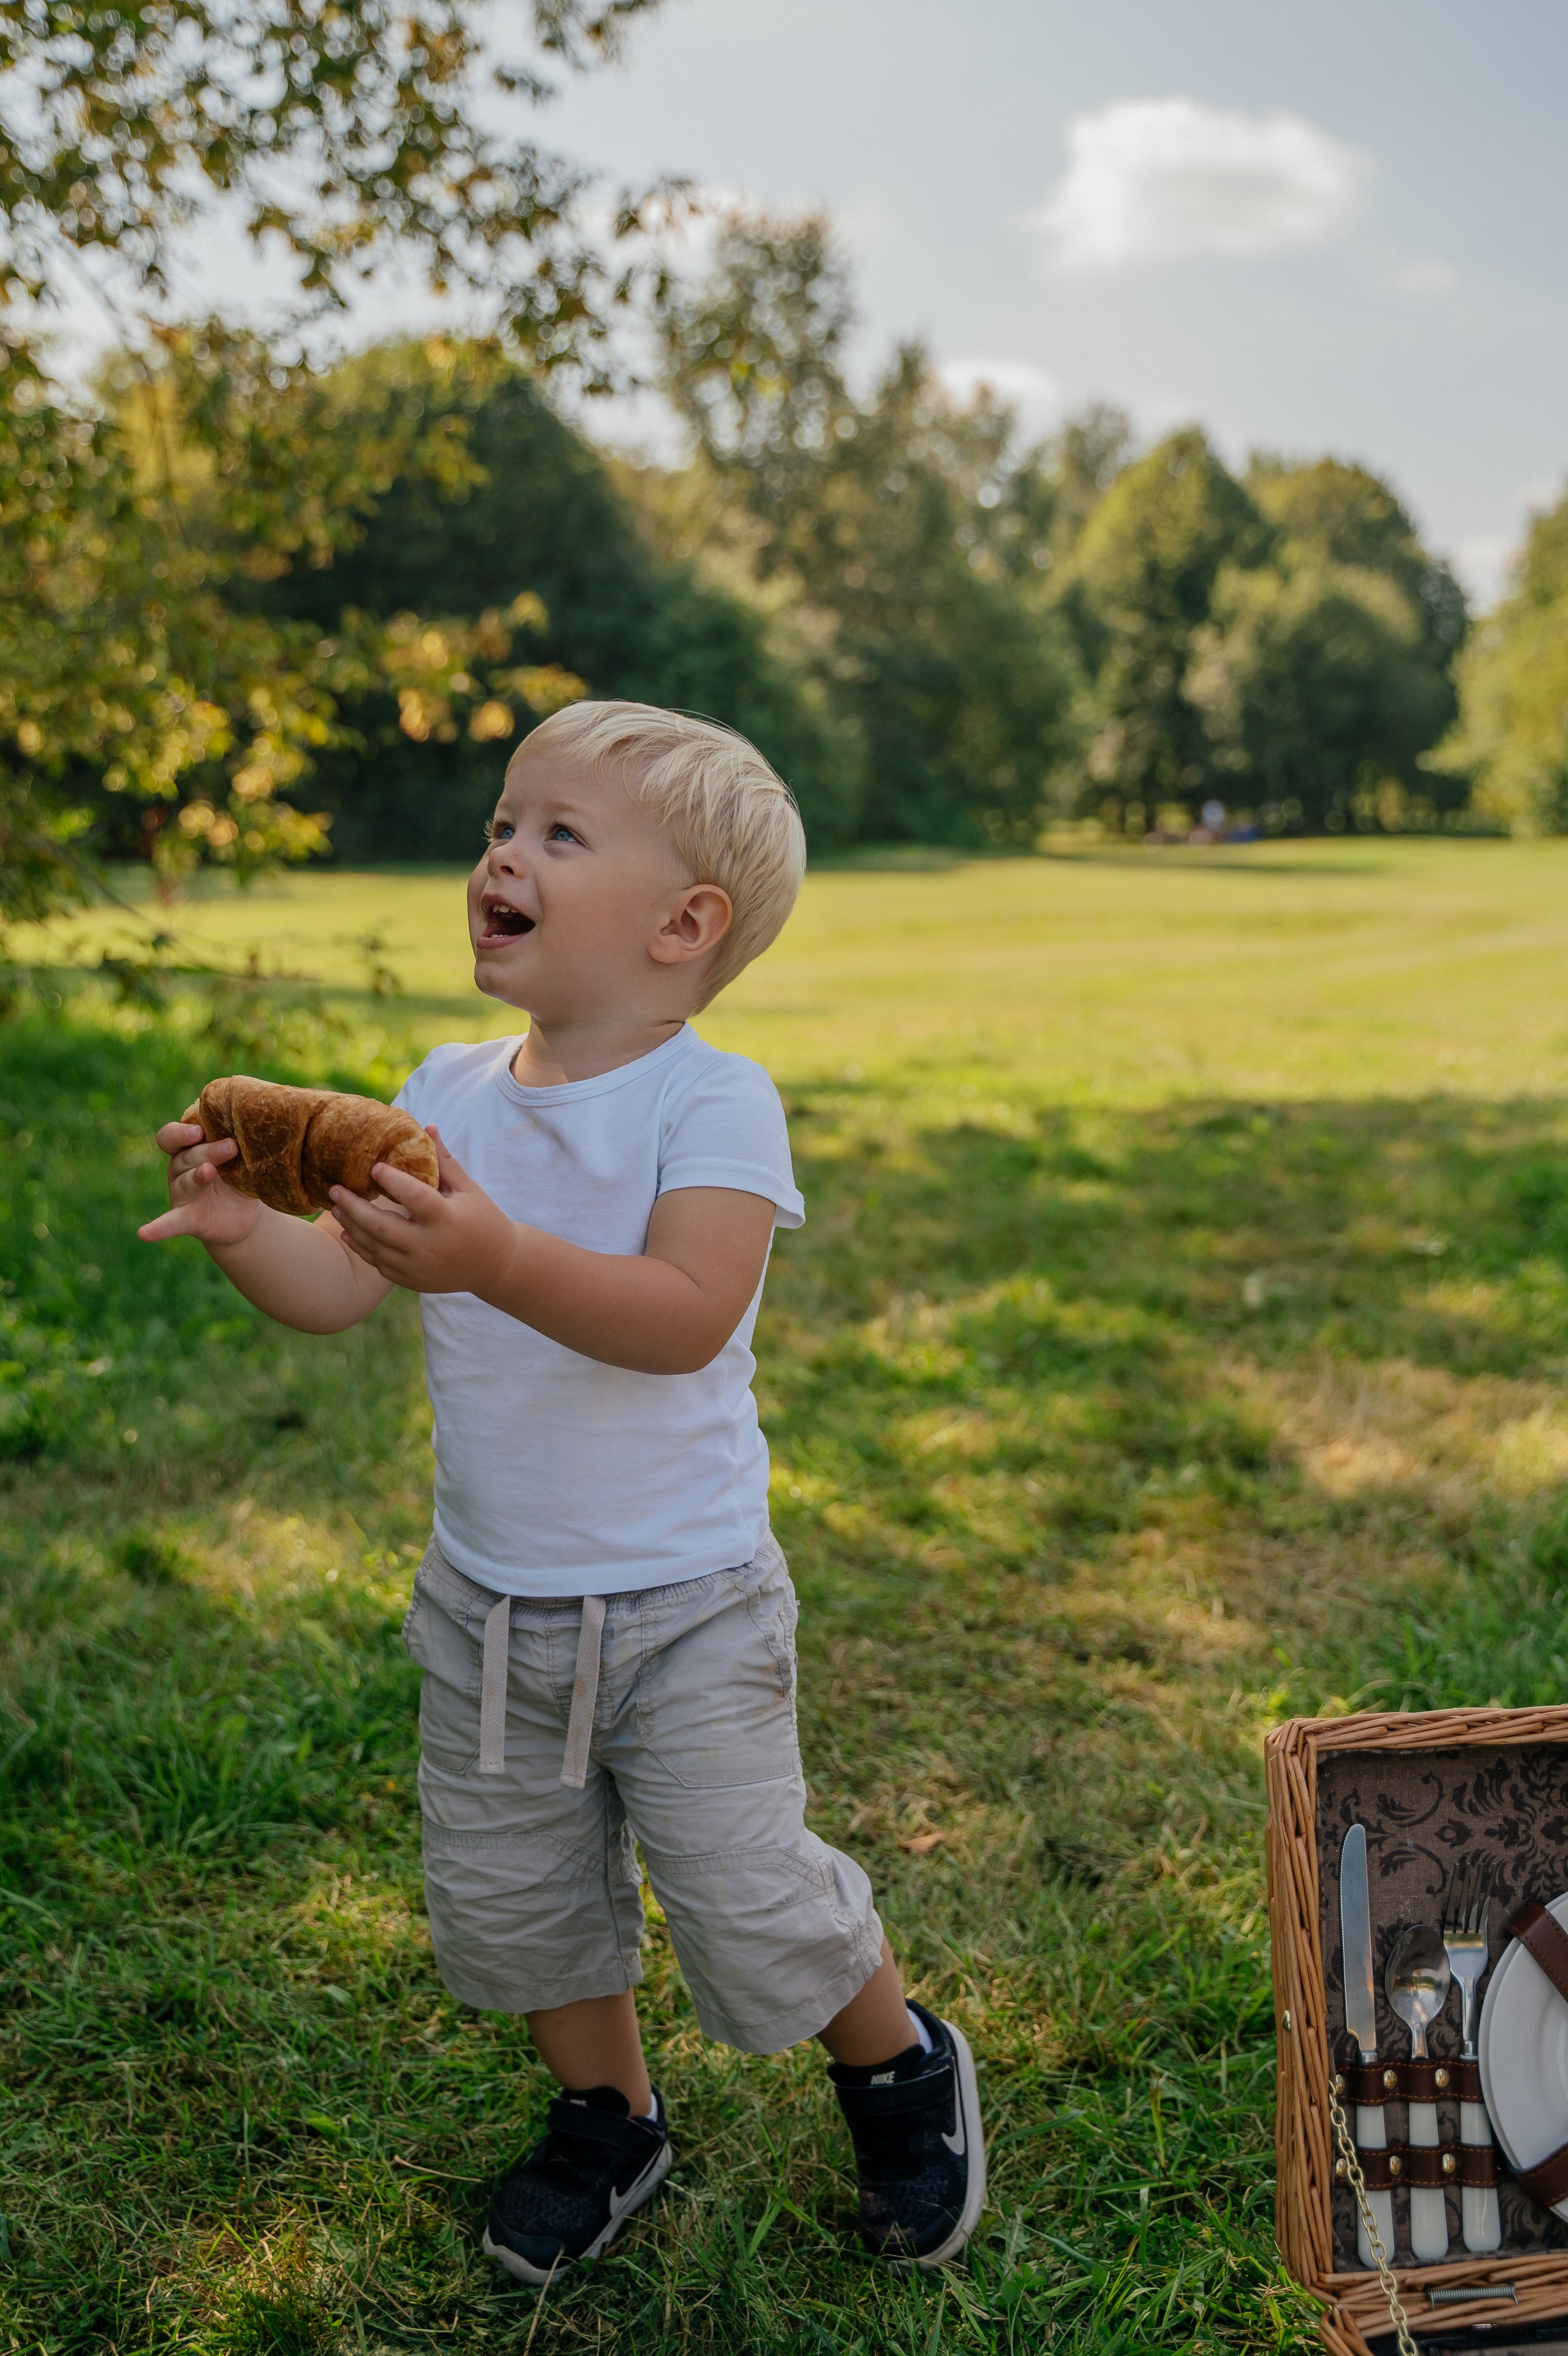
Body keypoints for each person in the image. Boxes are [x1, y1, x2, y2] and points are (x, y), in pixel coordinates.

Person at [141, 702, 986, 2281]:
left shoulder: (708, 1101)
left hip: (687, 1604)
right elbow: (344, 1288)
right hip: (488, 1601)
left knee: (745, 1890)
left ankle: (895, 2063)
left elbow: (681, 1319)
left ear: (684, 924)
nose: (501, 856)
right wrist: (252, 1230)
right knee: (514, 1892)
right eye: (499, 825)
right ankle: (608, 2114)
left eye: (556, 834)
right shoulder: (441, 1088)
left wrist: (500, 1255)